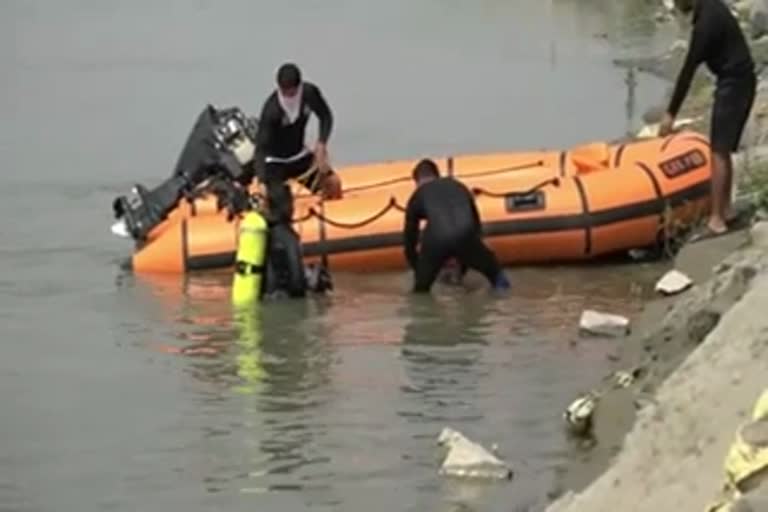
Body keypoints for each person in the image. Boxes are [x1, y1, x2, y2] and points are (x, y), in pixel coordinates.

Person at [659, 0, 756, 241]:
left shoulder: (706, 24)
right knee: (722, 149)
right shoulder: (711, 6)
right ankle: (727, 210)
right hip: (740, 81)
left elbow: (688, 70)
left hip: (734, 84)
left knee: (718, 151)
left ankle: (716, 220)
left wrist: (670, 114)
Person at [251, 63, 342, 225]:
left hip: (300, 157)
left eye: (292, 92)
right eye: (284, 92)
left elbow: (325, 116)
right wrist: (261, 181)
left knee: (333, 185)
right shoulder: (272, 110)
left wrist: (321, 144)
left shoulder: (309, 94)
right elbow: (260, 148)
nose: (289, 96)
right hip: (275, 164)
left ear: (299, 86)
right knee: (283, 206)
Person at [402, 158, 510, 293]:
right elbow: (475, 225)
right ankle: (503, 292)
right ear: (437, 175)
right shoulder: (458, 186)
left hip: (436, 240)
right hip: (466, 235)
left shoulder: (417, 196)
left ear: (417, 181)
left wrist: (419, 269)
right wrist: (465, 261)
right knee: (495, 273)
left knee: (421, 291)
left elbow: (409, 240)